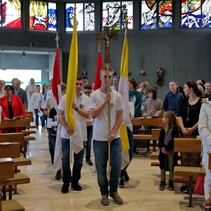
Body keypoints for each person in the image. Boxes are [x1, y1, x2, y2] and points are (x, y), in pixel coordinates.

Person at [89, 67, 124, 206]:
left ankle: (114, 191)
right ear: (100, 77)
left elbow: (120, 117)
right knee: (101, 168)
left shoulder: (118, 95)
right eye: (105, 76)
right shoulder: (94, 95)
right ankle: (104, 193)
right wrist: (104, 101)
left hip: (115, 138)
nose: (108, 79)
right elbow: (93, 115)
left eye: (110, 76)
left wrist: (114, 132)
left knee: (116, 166)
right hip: (99, 138)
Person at [58, 76, 90, 193]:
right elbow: (60, 115)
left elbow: (87, 115)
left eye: (80, 84)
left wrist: (76, 108)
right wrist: (67, 127)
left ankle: (75, 181)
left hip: (81, 134)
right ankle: (66, 182)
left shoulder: (86, 99)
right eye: (76, 84)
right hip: (67, 134)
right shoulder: (65, 98)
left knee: (79, 161)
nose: (78, 86)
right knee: (65, 159)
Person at [177, 80, 202, 192]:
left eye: (185, 87)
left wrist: (192, 128)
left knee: (196, 159)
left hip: (196, 133)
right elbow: (179, 116)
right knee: (184, 158)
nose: (184, 89)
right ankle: (185, 182)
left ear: (191, 88)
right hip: (184, 133)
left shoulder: (201, 102)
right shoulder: (184, 101)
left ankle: (195, 183)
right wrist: (182, 128)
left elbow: (202, 118)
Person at [158, 111, 180, 191]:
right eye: (163, 117)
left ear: (169, 119)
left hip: (171, 150)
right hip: (163, 150)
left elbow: (174, 141)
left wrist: (167, 148)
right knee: (162, 166)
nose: (163, 119)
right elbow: (160, 140)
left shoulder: (174, 129)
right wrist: (162, 148)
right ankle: (162, 181)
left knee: (171, 166)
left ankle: (171, 181)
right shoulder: (162, 129)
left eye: (165, 117)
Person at [198, 97, 211, 208]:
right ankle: (208, 202)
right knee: (210, 176)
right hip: (209, 147)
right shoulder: (206, 105)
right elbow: (202, 127)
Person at [119, 100, 134, 188]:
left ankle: (123, 170)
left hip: (127, 129)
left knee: (130, 153)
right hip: (118, 128)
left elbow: (131, 116)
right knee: (120, 153)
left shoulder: (130, 103)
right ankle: (120, 174)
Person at [83, 84, 93, 166]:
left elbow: (94, 113)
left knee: (89, 142)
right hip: (82, 124)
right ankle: (80, 157)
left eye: (89, 93)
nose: (87, 95)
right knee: (82, 141)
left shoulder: (92, 100)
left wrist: (91, 121)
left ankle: (88, 157)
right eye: (86, 92)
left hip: (91, 124)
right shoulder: (82, 100)